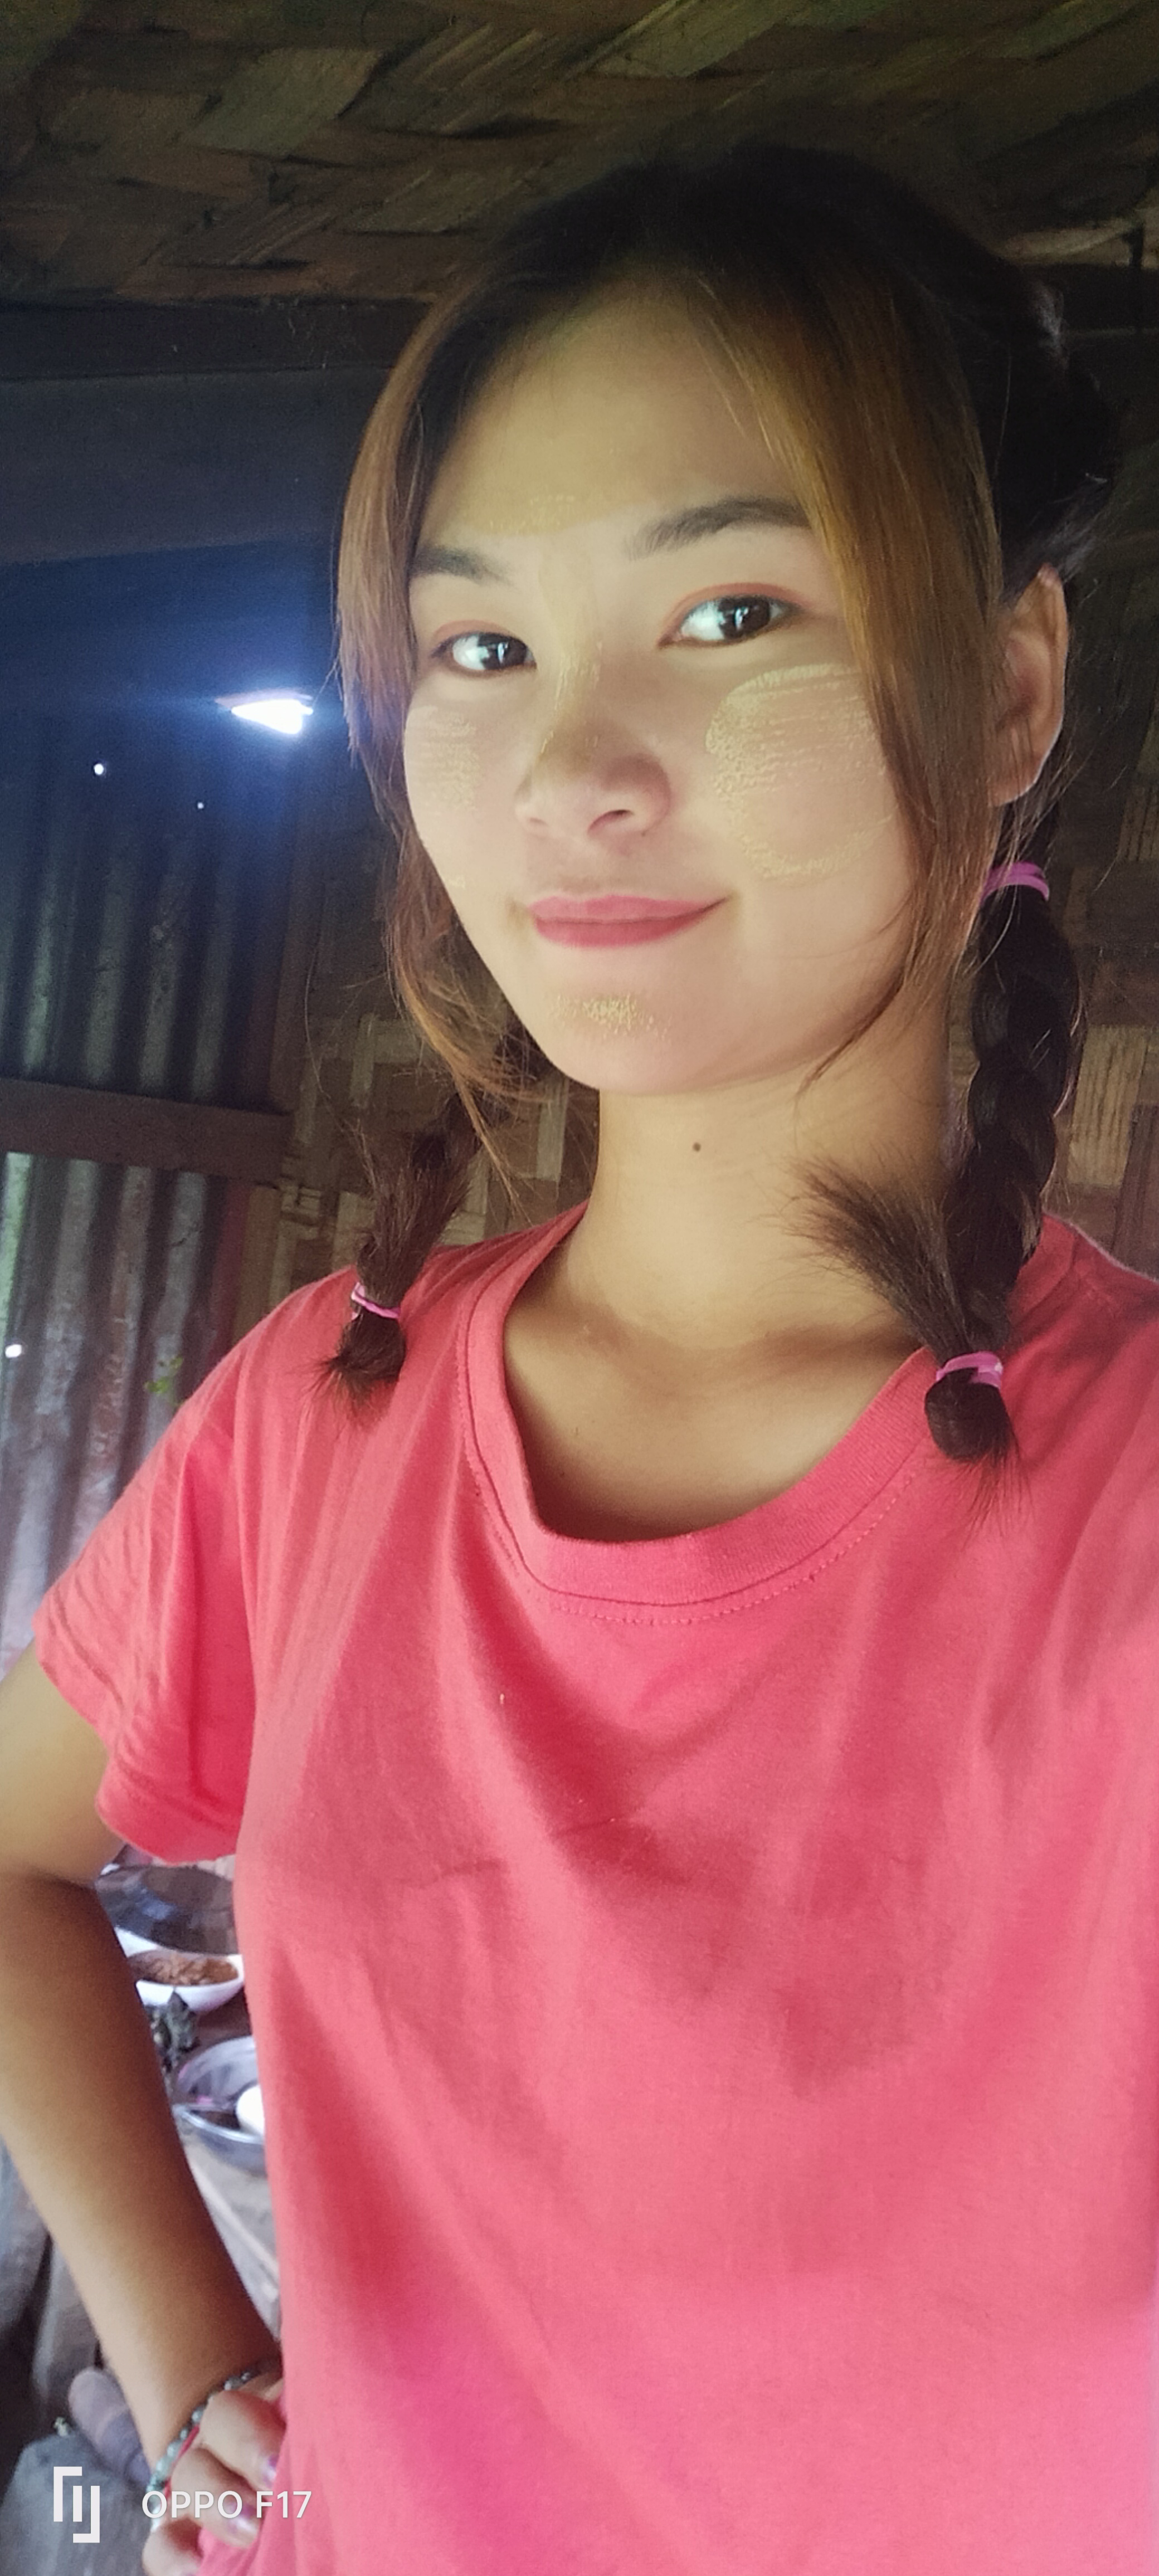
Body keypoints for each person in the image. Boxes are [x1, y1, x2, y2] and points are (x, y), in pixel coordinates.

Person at [0, 129, 1153, 2576]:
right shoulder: (321, 1419)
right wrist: (191, 2368)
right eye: (480, 650)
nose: (569, 772)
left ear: (1009, 685)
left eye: (730, 613)